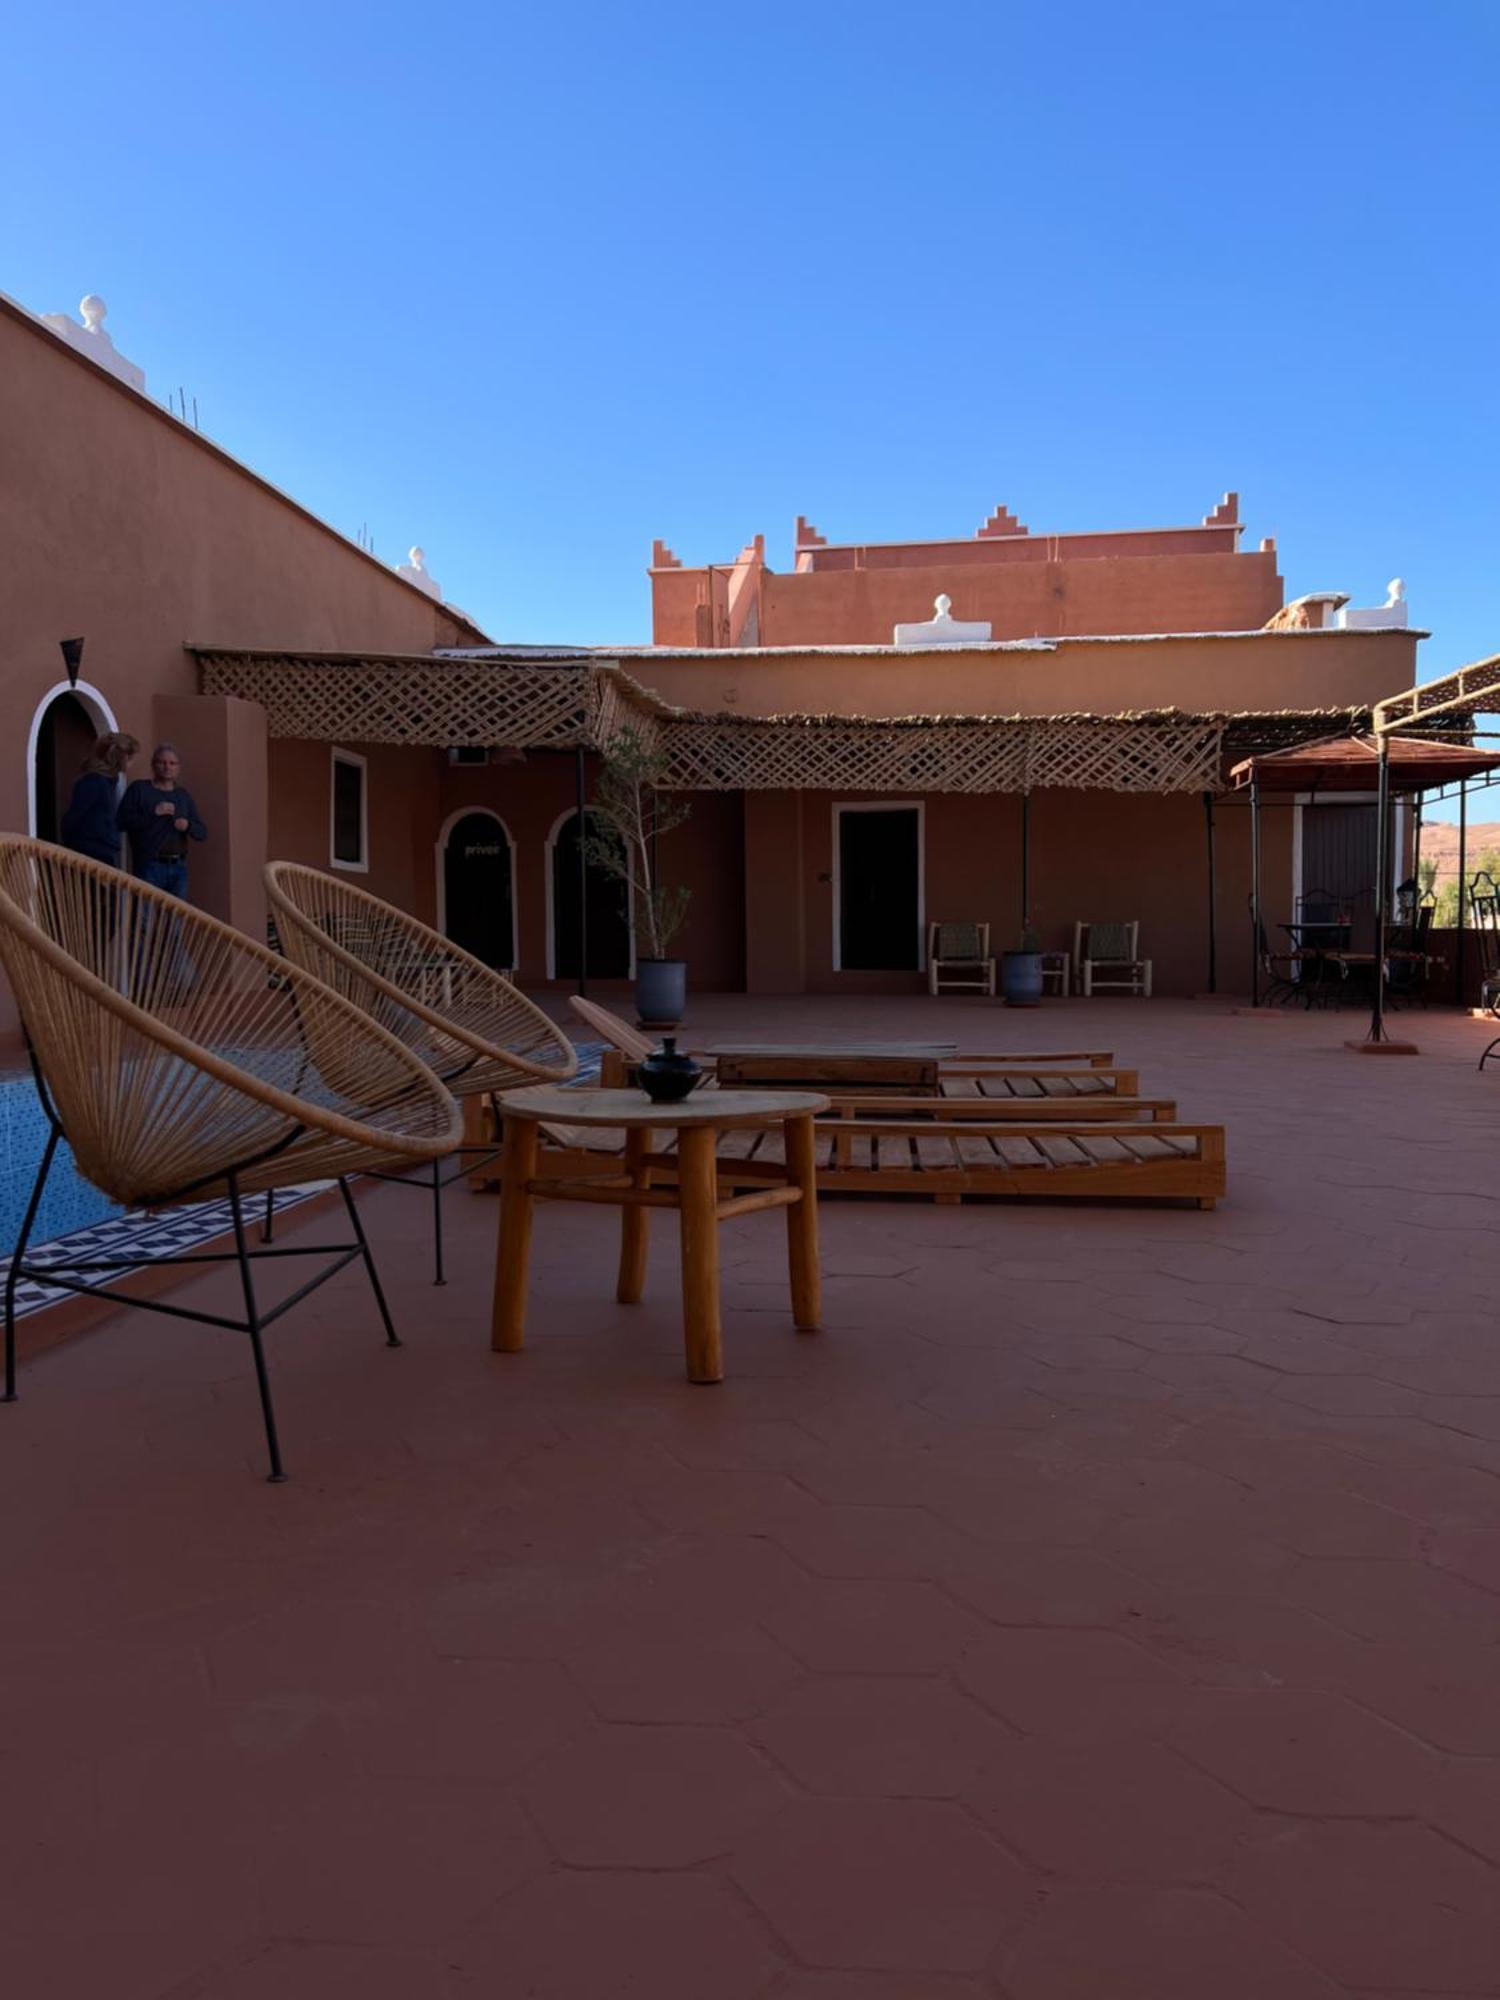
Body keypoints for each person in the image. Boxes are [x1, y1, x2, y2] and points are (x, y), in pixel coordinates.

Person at [117, 742, 207, 898]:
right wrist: (154, 813)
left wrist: (187, 825)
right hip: (149, 865)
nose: (167, 767)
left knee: (175, 920)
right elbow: (121, 822)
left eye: (172, 763)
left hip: (178, 868)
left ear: (178, 768)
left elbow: (202, 832)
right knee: (144, 918)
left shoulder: (182, 796)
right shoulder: (139, 789)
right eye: (162, 762)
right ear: (153, 765)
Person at [59, 731, 140, 867]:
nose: (132, 763)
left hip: (105, 853)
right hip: (91, 856)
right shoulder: (94, 782)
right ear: (122, 757)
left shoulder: (109, 782)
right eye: (130, 758)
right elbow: (72, 819)